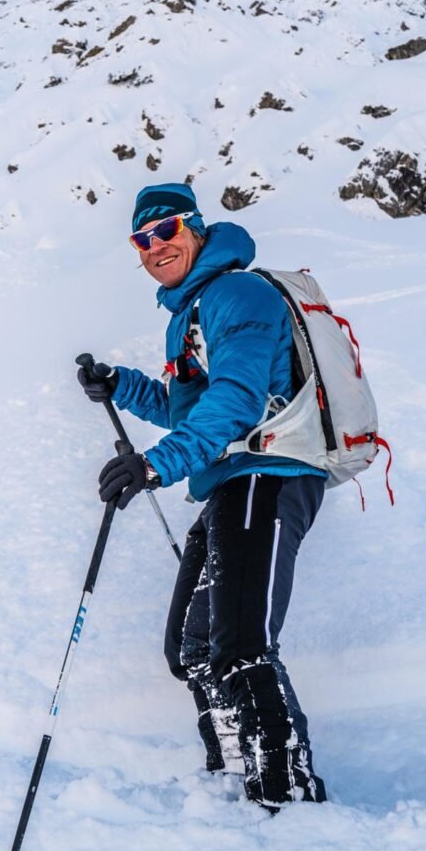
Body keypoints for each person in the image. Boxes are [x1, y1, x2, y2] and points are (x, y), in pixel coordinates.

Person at [77, 182, 328, 811]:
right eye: (143, 238)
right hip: (229, 485)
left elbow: (237, 402)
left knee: (241, 645)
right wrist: (122, 386)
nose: (156, 245)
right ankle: (234, 775)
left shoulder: (237, 292)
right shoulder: (190, 312)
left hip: (266, 476)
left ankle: (285, 796)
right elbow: (187, 406)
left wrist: (155, 469)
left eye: (167, 230)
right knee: (192, 650)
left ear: (195, 229)